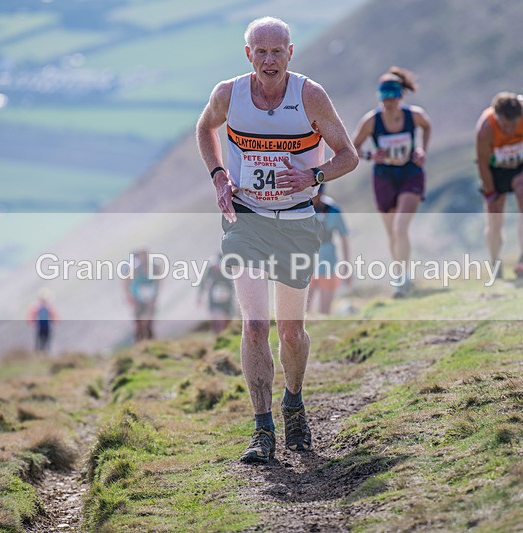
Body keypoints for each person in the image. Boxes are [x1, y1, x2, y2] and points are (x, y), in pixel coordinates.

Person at [196, 16, 358, 464]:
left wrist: (313, 175)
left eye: (277, 51)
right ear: (248, 54)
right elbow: (204, 129)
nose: (269, 60)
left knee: (290, 330)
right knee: (254, 324)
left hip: (296, 220)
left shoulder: (310, 96)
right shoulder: (228, 94)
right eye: (260, 52)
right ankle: (262, 428)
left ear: (291, 53)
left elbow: (349, 155)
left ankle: (294, 403)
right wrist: (218, 177)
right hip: (246, 218)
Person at [352, 67, 431, 298]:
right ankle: (401, 274)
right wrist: (369, 156)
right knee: (392, 234)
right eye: (384, 99)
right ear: (379, 98)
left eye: (393, 98)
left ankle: (401, 281)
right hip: (384, 177)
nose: (389, 103)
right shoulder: (371, 121)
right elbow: (352, 147)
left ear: (401, 96)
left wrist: (422, 150)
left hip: (410, 173)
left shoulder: (414, 115)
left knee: (400, 227)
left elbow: (427, 126)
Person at [476, 92, 523, 279]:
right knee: (494, 219)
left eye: (513, 125)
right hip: (495, 171)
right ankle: (495, 262)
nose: (509, 131)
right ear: (496, 117)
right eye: (504, 126)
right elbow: (482, 163)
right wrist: (490, 192)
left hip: (521, 165)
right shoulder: (485, 128)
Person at [308, 184, 351, 315]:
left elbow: (344, 237)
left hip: (328, 262)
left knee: (324, 310)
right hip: (305, 261)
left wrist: (346, 265)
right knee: (302, 309)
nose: (315, 198)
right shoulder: (302, 209)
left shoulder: (333, 210)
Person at [124, 249, 160, 343]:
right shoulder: (135, 269)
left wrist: (155, 297)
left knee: (148, 321)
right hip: (137, 298)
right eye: (142, 256)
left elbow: (158, 282)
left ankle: (150, 343)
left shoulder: (154, 268)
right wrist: (129, 297)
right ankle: (139, 342)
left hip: (149, 298)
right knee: (139, 322)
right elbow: (126, 283)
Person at [198, 252, 235, 334]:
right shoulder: (211, 268)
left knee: (226, 316)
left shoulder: (229, 269)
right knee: (215, 315)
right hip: (215, 296)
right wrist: (199, 297)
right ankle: (217, 333)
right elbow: (203, 282)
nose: (217, 269)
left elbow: (234, 283)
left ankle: (225, 333)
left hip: (226, 296)